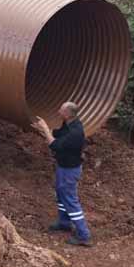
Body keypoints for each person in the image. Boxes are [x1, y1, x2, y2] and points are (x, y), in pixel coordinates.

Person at [32, 102, 92, 247]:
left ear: (68, 114)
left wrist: (45, 129)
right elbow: (58, 134)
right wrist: (44, 130)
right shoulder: (68, 124)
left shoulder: (76, 133)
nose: (58, 111)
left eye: (61, 110)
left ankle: (83, 235)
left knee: (70, 199)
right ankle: (64, 222)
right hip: (63, 166)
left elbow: (55, 145)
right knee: (61, 194)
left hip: (70, 170)